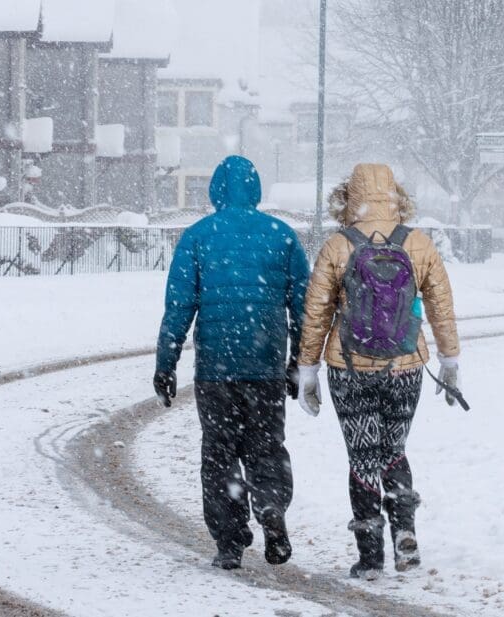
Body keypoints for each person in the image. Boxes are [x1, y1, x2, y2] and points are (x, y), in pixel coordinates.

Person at [295, 163, 461, 580]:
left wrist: (307, 369)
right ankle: (405, 535)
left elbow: (316, 313)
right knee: (394, 450)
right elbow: (441, 305)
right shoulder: (418, 243)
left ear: (348, 197)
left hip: (348, 368)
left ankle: (370, 556)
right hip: (405, 367)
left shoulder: (337, 245)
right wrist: (450, 359)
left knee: (362, 457)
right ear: (396, 195)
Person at [153, 155, 310, 570]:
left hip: (216, 369)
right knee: (266, 448)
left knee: (219, 453)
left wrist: (165, 363)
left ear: (216, 191)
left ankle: (229, 539)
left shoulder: (198, 237)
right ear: (256, 189)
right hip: (266, 365)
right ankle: (271, 506)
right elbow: (304, 308)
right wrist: (298, 361)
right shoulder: (282, 236)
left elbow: (179, 307)